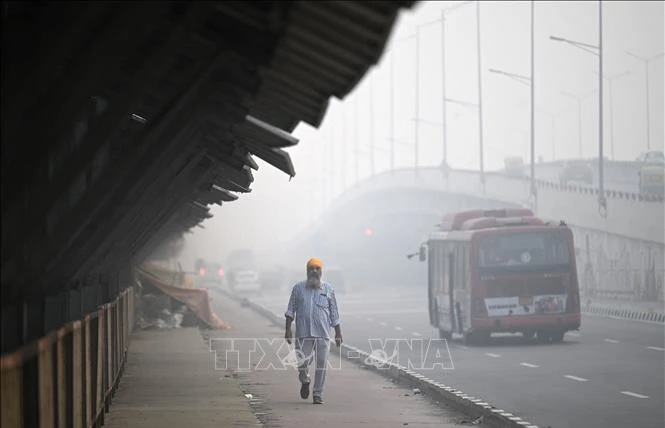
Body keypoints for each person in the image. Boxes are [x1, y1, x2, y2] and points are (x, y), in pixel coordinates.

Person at [284, 257, 342, 404]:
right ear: (307, 271)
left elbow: (334, 312)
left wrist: (338, 332)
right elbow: (291, 310)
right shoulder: (298, 288)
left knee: (321, 364)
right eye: (311, 269)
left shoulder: (328, 289)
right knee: (302, 361)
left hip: (323, 333)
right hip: (303, 332)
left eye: (317, 269)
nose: (314, 271)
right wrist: (288, 330)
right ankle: (304, 380)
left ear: (321, 271)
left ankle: (317, 393)